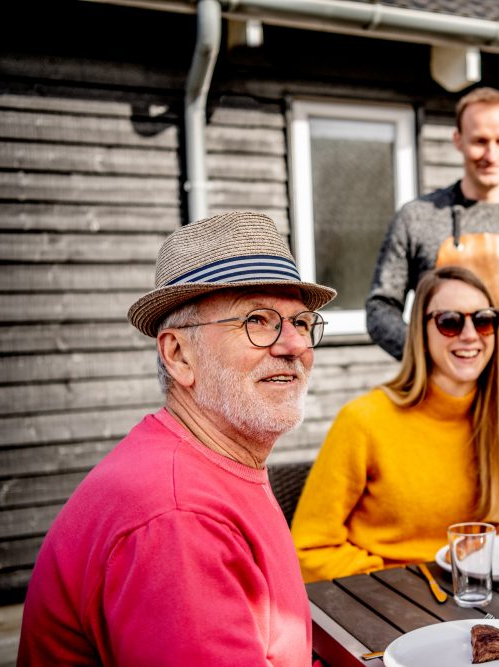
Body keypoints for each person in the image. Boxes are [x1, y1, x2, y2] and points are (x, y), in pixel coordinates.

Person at [18, 212, 336, 666]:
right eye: (257, 320)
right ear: (178, 354)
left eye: (302, 322)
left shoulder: (208, 459)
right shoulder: (179, 519)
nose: (294, 345)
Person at [292, 266, 499, 582]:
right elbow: (308, 550)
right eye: (450, 322)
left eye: (484, 319)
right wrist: (401, 581)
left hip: (482, 596)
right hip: (388, 601)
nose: (470, 335)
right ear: (421, 330)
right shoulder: (364, 420)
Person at [365, 86, 499, 435]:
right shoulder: (417, 218)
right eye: (479, 141)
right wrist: (431, 360)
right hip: (444, 407)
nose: (491, 154)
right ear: (458, 140)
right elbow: (380, 308)